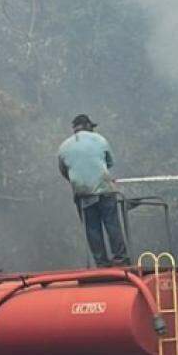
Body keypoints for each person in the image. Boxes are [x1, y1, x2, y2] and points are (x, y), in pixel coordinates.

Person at [58, 114, 129, 267]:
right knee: (112, 224)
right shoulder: (99, 139)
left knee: (92, 229)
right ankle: (121, 259)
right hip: (105, 190)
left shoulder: (64, 147)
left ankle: (102, 263)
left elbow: (64, 171)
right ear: (88, 126)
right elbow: (109, 162)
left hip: (83, 194)